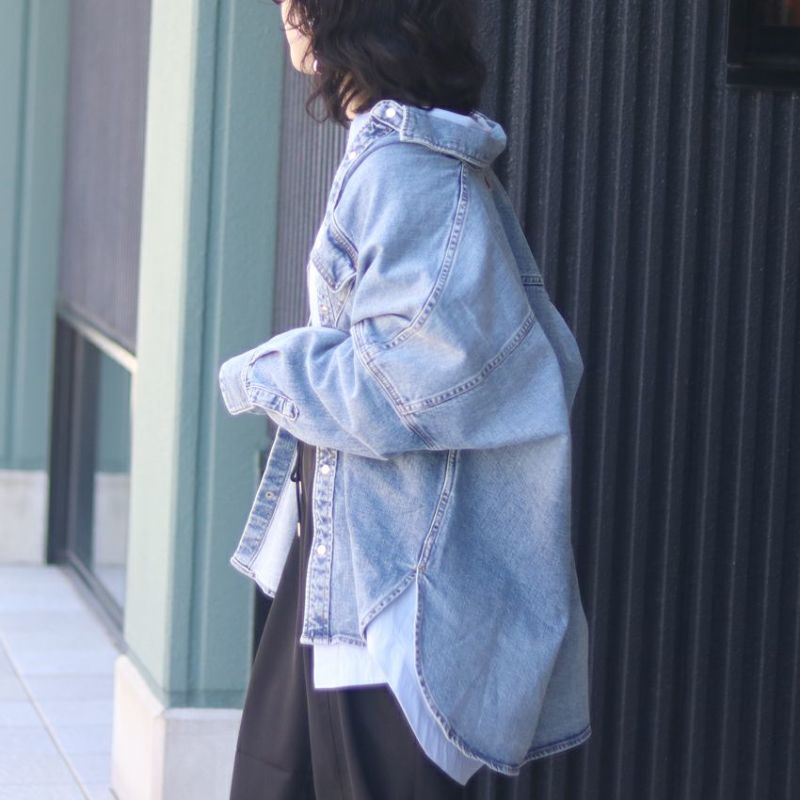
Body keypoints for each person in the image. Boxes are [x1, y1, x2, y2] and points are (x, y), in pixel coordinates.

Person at [220, 1, 592, 798]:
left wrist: (262, 374)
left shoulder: (408, 169)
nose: (283, 10)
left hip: (386, 582)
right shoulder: (392, 155)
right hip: (345, 560)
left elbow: (406, 385)